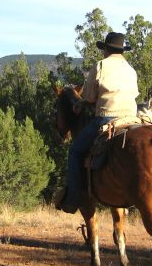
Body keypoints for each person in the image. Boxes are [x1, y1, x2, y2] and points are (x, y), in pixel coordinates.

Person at [56, 32, 140, 213]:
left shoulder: (101, 66)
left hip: (107, 116)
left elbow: (89, 97)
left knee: (75, 152)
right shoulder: (131, 69)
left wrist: (81, 104)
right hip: (132, 118)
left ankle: (72, 200)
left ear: (106, 49)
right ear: (122, 51)